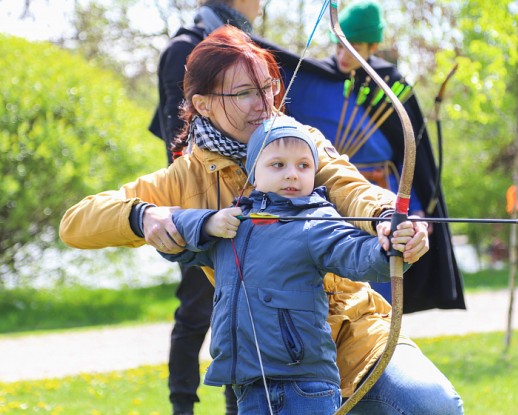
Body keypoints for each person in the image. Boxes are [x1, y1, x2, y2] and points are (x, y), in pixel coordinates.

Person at [60, 26, 462, 414]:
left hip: (358, 333)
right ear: (202, 104)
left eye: (269, 86)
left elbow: (350, 186)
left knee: (432, 404)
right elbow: (75, 223)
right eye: (245, 93)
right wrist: (141, 215)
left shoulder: (298, 141)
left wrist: (388, 218)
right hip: (271, 362)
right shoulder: (182, 179)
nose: (264, 102)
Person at [159, 115, 413, 414]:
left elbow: (358, 255)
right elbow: (175, 245)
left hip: (305, 386)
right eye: (278, 165)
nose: (292, 174)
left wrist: (391, 248)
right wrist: (206, 223)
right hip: (249, 386)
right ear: (253, 172)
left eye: (304, 166)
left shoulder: (317, 222)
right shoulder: (232, 225)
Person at [271, 0, 465, 312]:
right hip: (332, 195)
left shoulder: (390, 83)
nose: (343, 56)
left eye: (355, 46)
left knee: (379, 289)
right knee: (334, 289)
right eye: (340, 46)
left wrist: (414, 210)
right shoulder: (316, 79)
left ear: (373, 45)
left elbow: (409, 160)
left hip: (382, 194)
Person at [147, 1, 261, 413]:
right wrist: (198, 214)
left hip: (243, 204)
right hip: (196, 210)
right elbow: (179, 141)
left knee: (242, 315)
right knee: (197, 310)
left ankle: (238, 406)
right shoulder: (184, 50)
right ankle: (182, 407)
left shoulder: (243, 47)